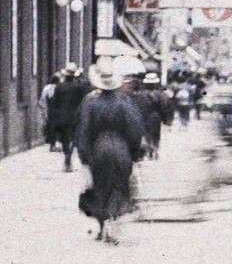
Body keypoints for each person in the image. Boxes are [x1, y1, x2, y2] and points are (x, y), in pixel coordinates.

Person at [75, 61, 146, 244]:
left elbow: (83, 130)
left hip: (99, 149)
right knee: (119, 185)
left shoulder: (90, 104)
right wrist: (135, 152)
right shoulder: (124, 103)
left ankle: (102, 225)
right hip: (121, 149)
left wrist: (85, 156)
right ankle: (114, 221)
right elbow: (135, 129)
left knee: (100, 187)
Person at [48, 63, 91, 172]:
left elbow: (55, 103)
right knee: (73, 138)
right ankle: (69, 156)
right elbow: (84, 102)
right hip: (75, 117)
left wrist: (54, 117)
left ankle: (67, 155)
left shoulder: (59, 87)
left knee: (64, 139)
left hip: (62, 117)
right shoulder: (78, 88)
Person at [135, 72, 172, 160]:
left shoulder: (140, 94)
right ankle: (154, 148)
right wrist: (166, 120)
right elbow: (164, 108)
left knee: (146, 134)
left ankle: (149, 149)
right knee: (155, 135)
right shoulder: (160, 95)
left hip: (143, 117)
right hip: (155, 118)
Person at [39, 72, 61, 150]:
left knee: (50, 126)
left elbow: (42, 99)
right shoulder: (59, 88)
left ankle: (51, 143)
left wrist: (44, 109)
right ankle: (54, 143)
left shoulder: (46, 88)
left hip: (49, 109)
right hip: (57, 110)